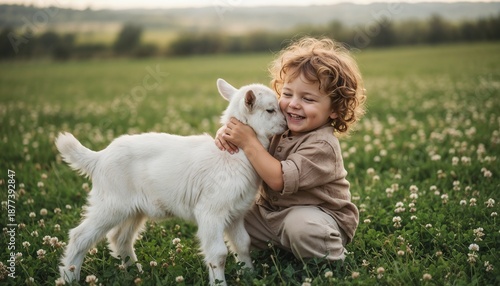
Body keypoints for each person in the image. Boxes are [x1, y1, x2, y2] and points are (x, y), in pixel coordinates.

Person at [215, 37, 366, 261]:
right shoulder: (276, 127)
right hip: (270, 215)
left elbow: (278, 179)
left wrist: (248, 142)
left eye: (307, 98)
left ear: (334, 109)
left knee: (301, 228)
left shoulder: (322, 145)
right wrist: (228, 133)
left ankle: (331, 253)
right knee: (230, 214)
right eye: (287, 94)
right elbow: (246, 130)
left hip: (318, 217)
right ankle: (281, 245)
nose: (293, 104)